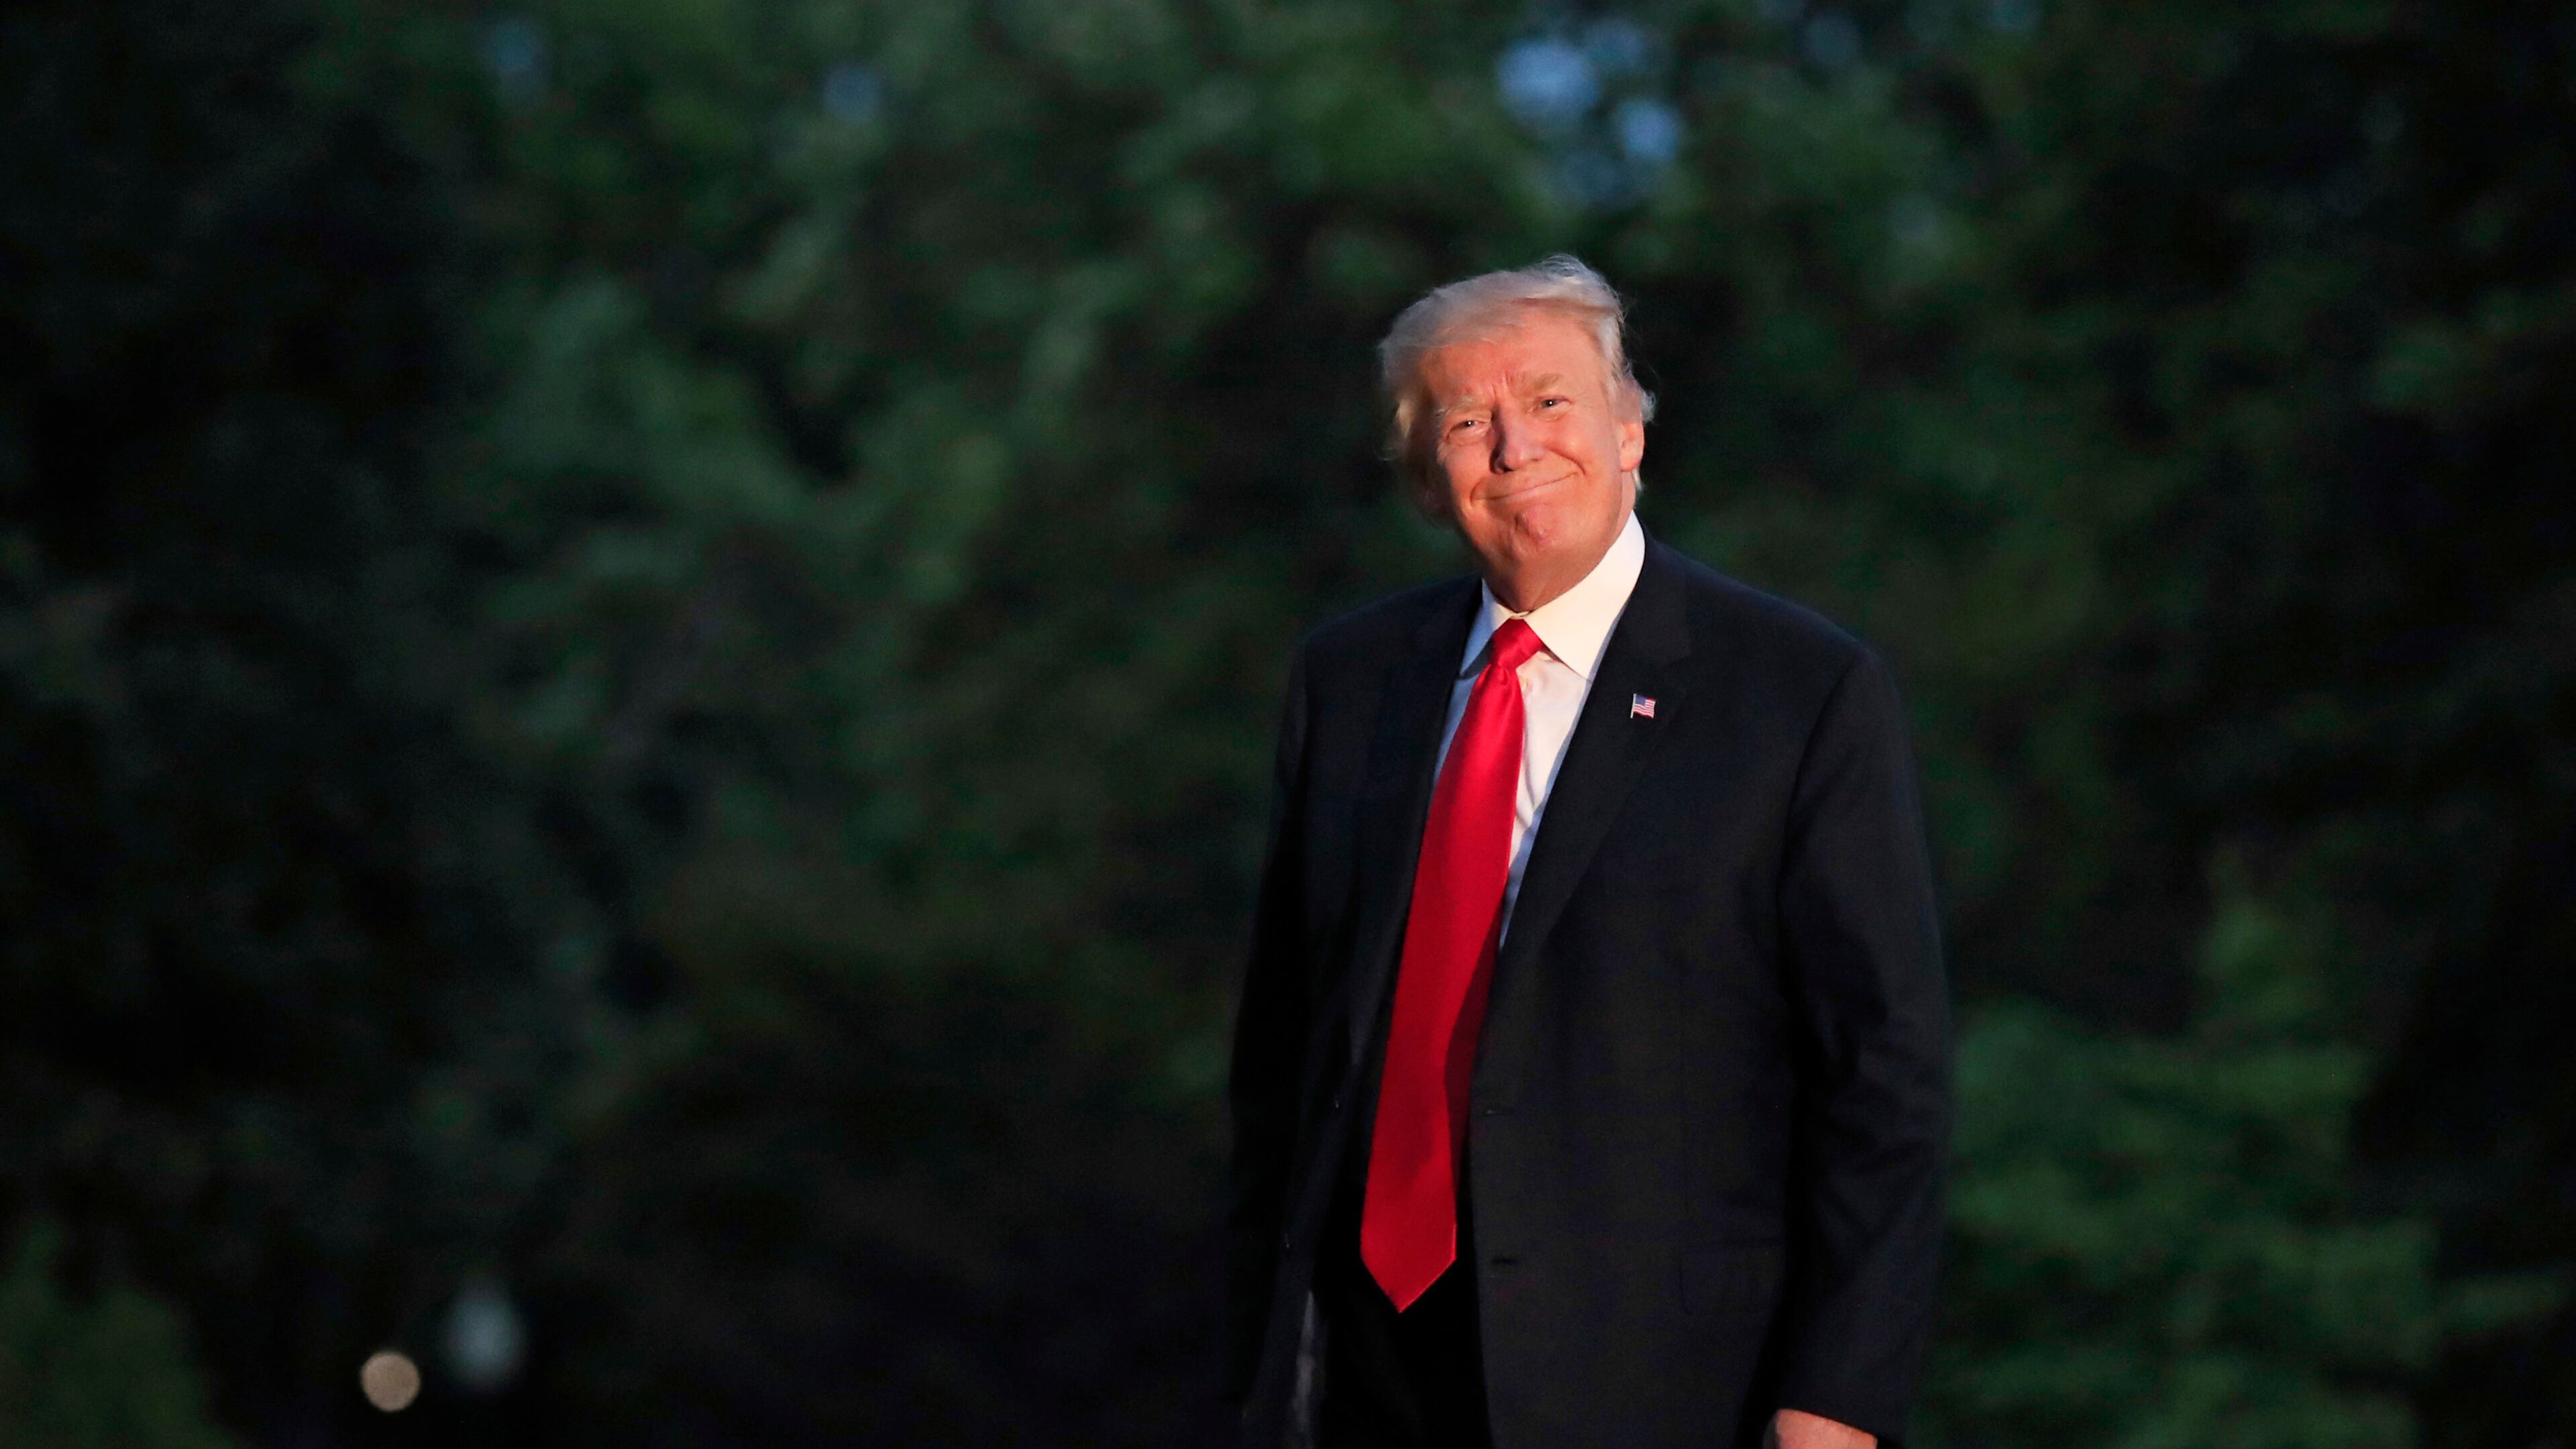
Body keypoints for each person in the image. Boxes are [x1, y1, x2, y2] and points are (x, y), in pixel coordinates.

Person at [1222, 257, 1951, 1449]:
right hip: (1365, 1379)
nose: (1514, 448)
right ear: (1427, 474)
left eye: (1550, 401)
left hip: (1663, 1383)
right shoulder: (1349, 683)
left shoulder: (1799, 692)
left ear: (1628, 432)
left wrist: (1836, 1400)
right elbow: (1284, 1054)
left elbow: (1886, 1075)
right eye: (1467, 421)